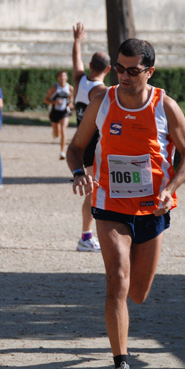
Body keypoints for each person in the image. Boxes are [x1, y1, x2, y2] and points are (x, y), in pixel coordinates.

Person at [67, 38, 185, 369]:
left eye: (132, 70)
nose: (123, 76)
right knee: (117, 281)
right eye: (118, 68)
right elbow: (76, 146)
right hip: (110, 204)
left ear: (149, 72)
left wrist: (170, 188)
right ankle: (121, 366)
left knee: (137, 293)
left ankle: (122, 344)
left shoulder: (165, 107)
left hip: (153, 208)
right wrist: (79, 172)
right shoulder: (102, 101)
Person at [72, 21, 111, 252]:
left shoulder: (81, 81)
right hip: (95, 146)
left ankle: (88, 235)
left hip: (82, 143)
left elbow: (76, 61)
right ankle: (86, 237)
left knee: (94, 191)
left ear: (90, 65)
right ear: (108, 70)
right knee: (93, 192)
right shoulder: (104, 91)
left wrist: (77, 41)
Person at [44, 70, 74, 160]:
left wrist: (70, 104)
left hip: (64, 112)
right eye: (60, 76)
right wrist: (54, 102)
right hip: (54, 112)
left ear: (67, 77)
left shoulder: (70, 88)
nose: (62, 78)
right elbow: (46, 100)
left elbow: (71, 99)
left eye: (64, 76)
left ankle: (62, 152)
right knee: (57, 133)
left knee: (63, 129)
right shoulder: (54, 88)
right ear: (58, 78)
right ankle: (55, 132)